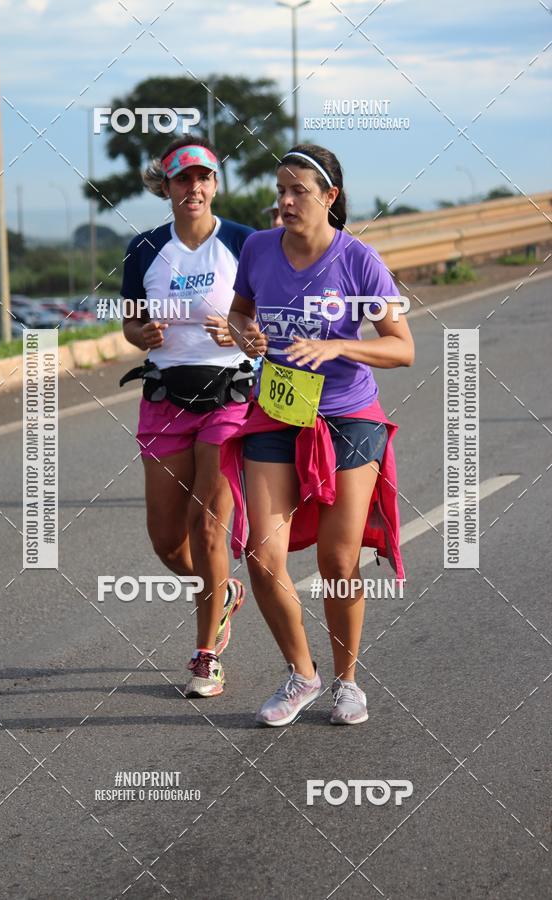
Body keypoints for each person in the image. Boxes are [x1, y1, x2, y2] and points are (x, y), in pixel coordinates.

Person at [225, 143, 414, 726]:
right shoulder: (258, 248)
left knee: (337, 559)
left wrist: (338, 344)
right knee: (262, 554)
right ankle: (301, 675)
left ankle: (347, 682)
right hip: (279, 410)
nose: (283, 202)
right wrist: (245, 336)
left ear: (329, 198)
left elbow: (401, 347)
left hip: (348, 416)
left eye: (297, 191)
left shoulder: (358, 260)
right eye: (279, 190)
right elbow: (240, 312)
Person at [120, 136, 255, 698]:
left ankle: (206, 655)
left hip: (229, 396)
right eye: (183, 179)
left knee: (207, 528)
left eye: (204, 178)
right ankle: (221, 590)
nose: (194, 187)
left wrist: (241, 333)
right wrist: (141, 333)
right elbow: (128, 325)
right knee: (166, 539)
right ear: (167, 188)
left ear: (215, 185)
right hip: (165, 398)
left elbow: (265, 327)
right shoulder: (145, 248)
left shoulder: (246, 244)